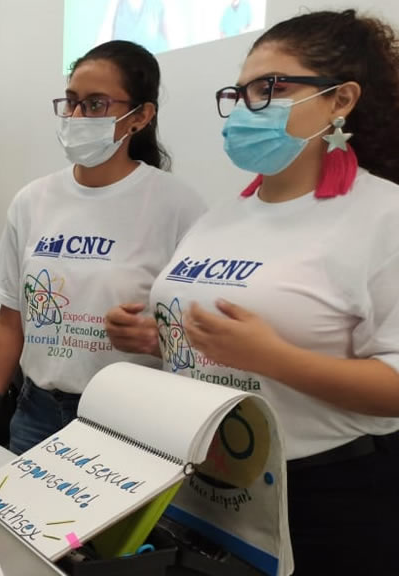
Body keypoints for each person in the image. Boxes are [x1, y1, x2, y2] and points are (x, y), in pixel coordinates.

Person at [109, 10, 399, 574]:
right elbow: (223, 340)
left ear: (341, 101)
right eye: (240, 92)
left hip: (326, 499)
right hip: (207, 484)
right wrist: (161, 338)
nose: (247, 108)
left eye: (272, 87)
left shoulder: (383, 215)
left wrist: (273, 358)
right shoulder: (224, 215)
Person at [0, 40, 205, 455]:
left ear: (141, 116)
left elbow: (198, 331)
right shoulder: (33, 200)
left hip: (128, 420)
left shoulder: (177, 205)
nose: (78, 116)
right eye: (71, 102)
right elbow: (11, 321)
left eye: (96, 104)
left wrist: (157, 336)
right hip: (36, 413)